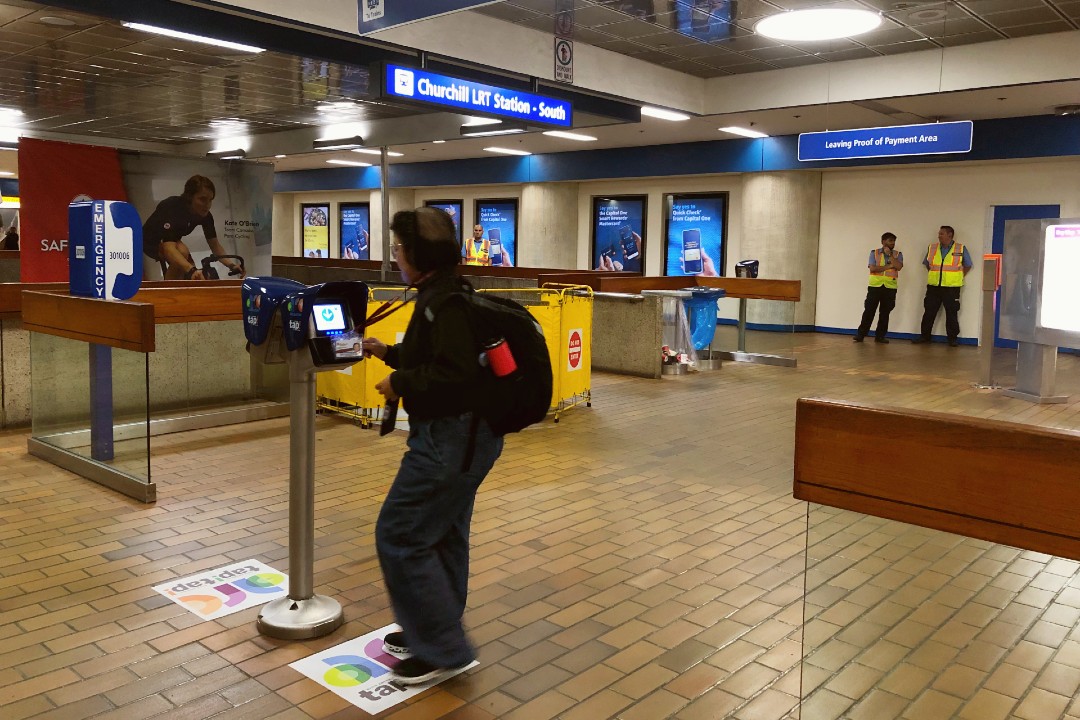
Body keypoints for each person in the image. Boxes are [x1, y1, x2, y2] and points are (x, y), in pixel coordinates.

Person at [360, 207, 503, 685]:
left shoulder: (446, 303)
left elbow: (453, 374)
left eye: (399, 248)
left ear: (419, 254)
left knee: (400, 533)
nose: (395, 256)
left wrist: (399, 381)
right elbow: (442, 357)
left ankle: (442, 647)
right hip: (467, 438)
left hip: (450, 439)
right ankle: (434, 625)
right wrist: (389, 353)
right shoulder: (446, 293)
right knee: (441, 532)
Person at [142, 175, 243, 280]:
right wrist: (191, 270)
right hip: (148, 241)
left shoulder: (206, 215)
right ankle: (168, 292)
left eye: (210, 200)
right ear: (189, 197)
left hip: (172, 241)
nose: (207, 205)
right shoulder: (172, 207)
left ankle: (178, 291)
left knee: (194, 274)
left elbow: (215, 246)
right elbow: (169, 248)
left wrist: (231, 265)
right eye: (202, 199)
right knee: (183, 254)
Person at [913, 225, 971, 346]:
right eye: (939, 233)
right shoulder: (932, 248)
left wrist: (958, 276)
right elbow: (927, 264)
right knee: (929, 312)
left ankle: (952, 339)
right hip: (934, 287)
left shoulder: (960, 248)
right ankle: (925, 336)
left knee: (951, 313)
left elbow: (968, 264)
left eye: (941, 234)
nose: (938, 236)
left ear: (950, 235)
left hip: (951, 287)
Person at [854, 232, 903, 344]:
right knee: (869, 311)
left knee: (885, 313)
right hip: (875, 286)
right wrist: (890, 265)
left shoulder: (897, 254)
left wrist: (890, 256)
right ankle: (861, 334)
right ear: (883, 242)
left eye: (894, 241)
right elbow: (873, 268)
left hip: (890, 287)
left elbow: (899, 267)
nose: (892, 243)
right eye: (890, 241)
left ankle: (880, 336)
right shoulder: (874, 253)